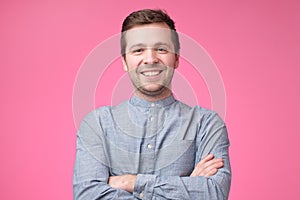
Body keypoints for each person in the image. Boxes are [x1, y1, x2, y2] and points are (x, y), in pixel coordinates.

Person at [73, 9, 231, 199]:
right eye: (138, 50)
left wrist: (129, 182)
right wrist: (188, 187)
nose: (150, 59)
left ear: (176, 58)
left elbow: (214, 192)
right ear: (124, 61)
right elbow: (88, 195)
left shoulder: (206, 124)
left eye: (161, 49)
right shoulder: (97, 124)